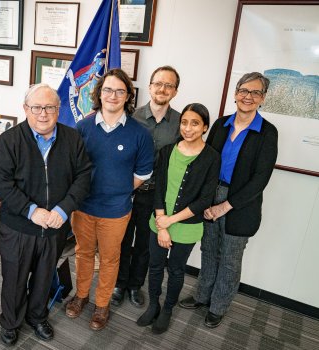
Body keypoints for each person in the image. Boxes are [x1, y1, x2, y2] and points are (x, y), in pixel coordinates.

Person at [0, 83, 91, 345]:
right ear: (26, 109)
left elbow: (83, 176)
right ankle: (11, 322)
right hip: (19, 227)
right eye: (36, 107)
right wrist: (31, 211)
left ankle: (37, 316)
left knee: (45, 276)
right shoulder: (9, 141)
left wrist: (64, 208)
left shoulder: (72, 138)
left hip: (55, 225)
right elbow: (1, 183)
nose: (43, 113)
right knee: (14, 278)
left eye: (49, 107)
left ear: (58, 110)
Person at [179, 72, 278, 328]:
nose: (248, 96)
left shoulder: (268, 133)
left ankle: (218, 306)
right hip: (211, 197)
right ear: (235, 94)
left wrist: (226, 205)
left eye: (256, 92)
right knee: (209, 251)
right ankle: (202, 296)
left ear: (263, 98)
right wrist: (205, 200)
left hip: (241, 204)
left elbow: (260, 179)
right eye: (244, 91)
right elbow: (206, 163)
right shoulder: (221, 124)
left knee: (231, 260)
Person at [65, 68, 154, 331]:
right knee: (82, 254)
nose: (113, 95)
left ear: (128, 96)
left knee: (109, 258)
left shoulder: (140, 133)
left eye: (119, 91)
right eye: (107, 89)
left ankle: (101, 304)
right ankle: (81, 296)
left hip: (116, 210)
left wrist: (119, 191)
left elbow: (144, 172)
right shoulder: (82, 127)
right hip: (83, 207)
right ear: (99, 93)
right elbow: (70, 166)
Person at [136, 103, 220, 334]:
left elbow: (204, 200)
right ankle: (154, 305)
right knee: (154, 266)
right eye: (184, 122)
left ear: (204, 127)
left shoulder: (211, 158)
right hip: (160, 221)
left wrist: (170, 223)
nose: (188, 128)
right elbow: (159, 189)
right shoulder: (167, 152)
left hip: (186, 226)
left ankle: (167, 309)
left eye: (195, 123)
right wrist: (162, 224)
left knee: (175, 269)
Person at [112, 66, 181, 308]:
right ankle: (119, 284)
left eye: (169, 85)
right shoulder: (131, 117)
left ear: (175, 91)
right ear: (150, 86)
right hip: (128, 191)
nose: (162, 89)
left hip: (157, 196)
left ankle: (134, 286)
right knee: (121, 240)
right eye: (158, 83)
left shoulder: (181, 123)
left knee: (144, 244)